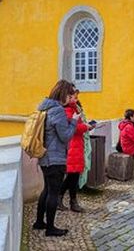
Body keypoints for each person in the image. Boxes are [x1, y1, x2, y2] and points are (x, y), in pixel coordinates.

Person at [33, 80, 79, 237]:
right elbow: (65, 136)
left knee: (46, 190)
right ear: (64, 94)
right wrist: (74, 121)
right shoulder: (58, 110)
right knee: (53, 192)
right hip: (55, 158)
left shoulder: (45, 107)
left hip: (44, 156)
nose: (71, 97)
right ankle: (50, 228)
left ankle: (39, 222)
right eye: (70, 95)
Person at [59, 88, 91, 214]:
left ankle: (69, 200)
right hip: (73, 145)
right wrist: (85, 127)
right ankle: (70, 201)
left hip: (77, 145)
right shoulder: (68, 110)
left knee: (74, 176)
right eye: (75, 97)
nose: (77, 100)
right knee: (72, 176)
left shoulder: (74, 109)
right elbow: (73, 127)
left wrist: (86, 126)